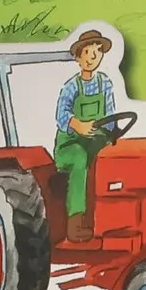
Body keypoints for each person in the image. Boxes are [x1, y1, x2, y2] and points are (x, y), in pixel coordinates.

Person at [50, 28, 118, 238]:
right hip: (69, 145)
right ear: (78, 58)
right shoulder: (71, 87)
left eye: (97, 52)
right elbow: (61, 116)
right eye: (87, 52)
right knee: (80, 157)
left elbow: (110, 115)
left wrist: (112, 135)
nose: (92, 57)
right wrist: (77, 125)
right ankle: (75, 224)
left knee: (109, 158)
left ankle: (108, 218)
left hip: (94, 142)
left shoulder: (105, 84)